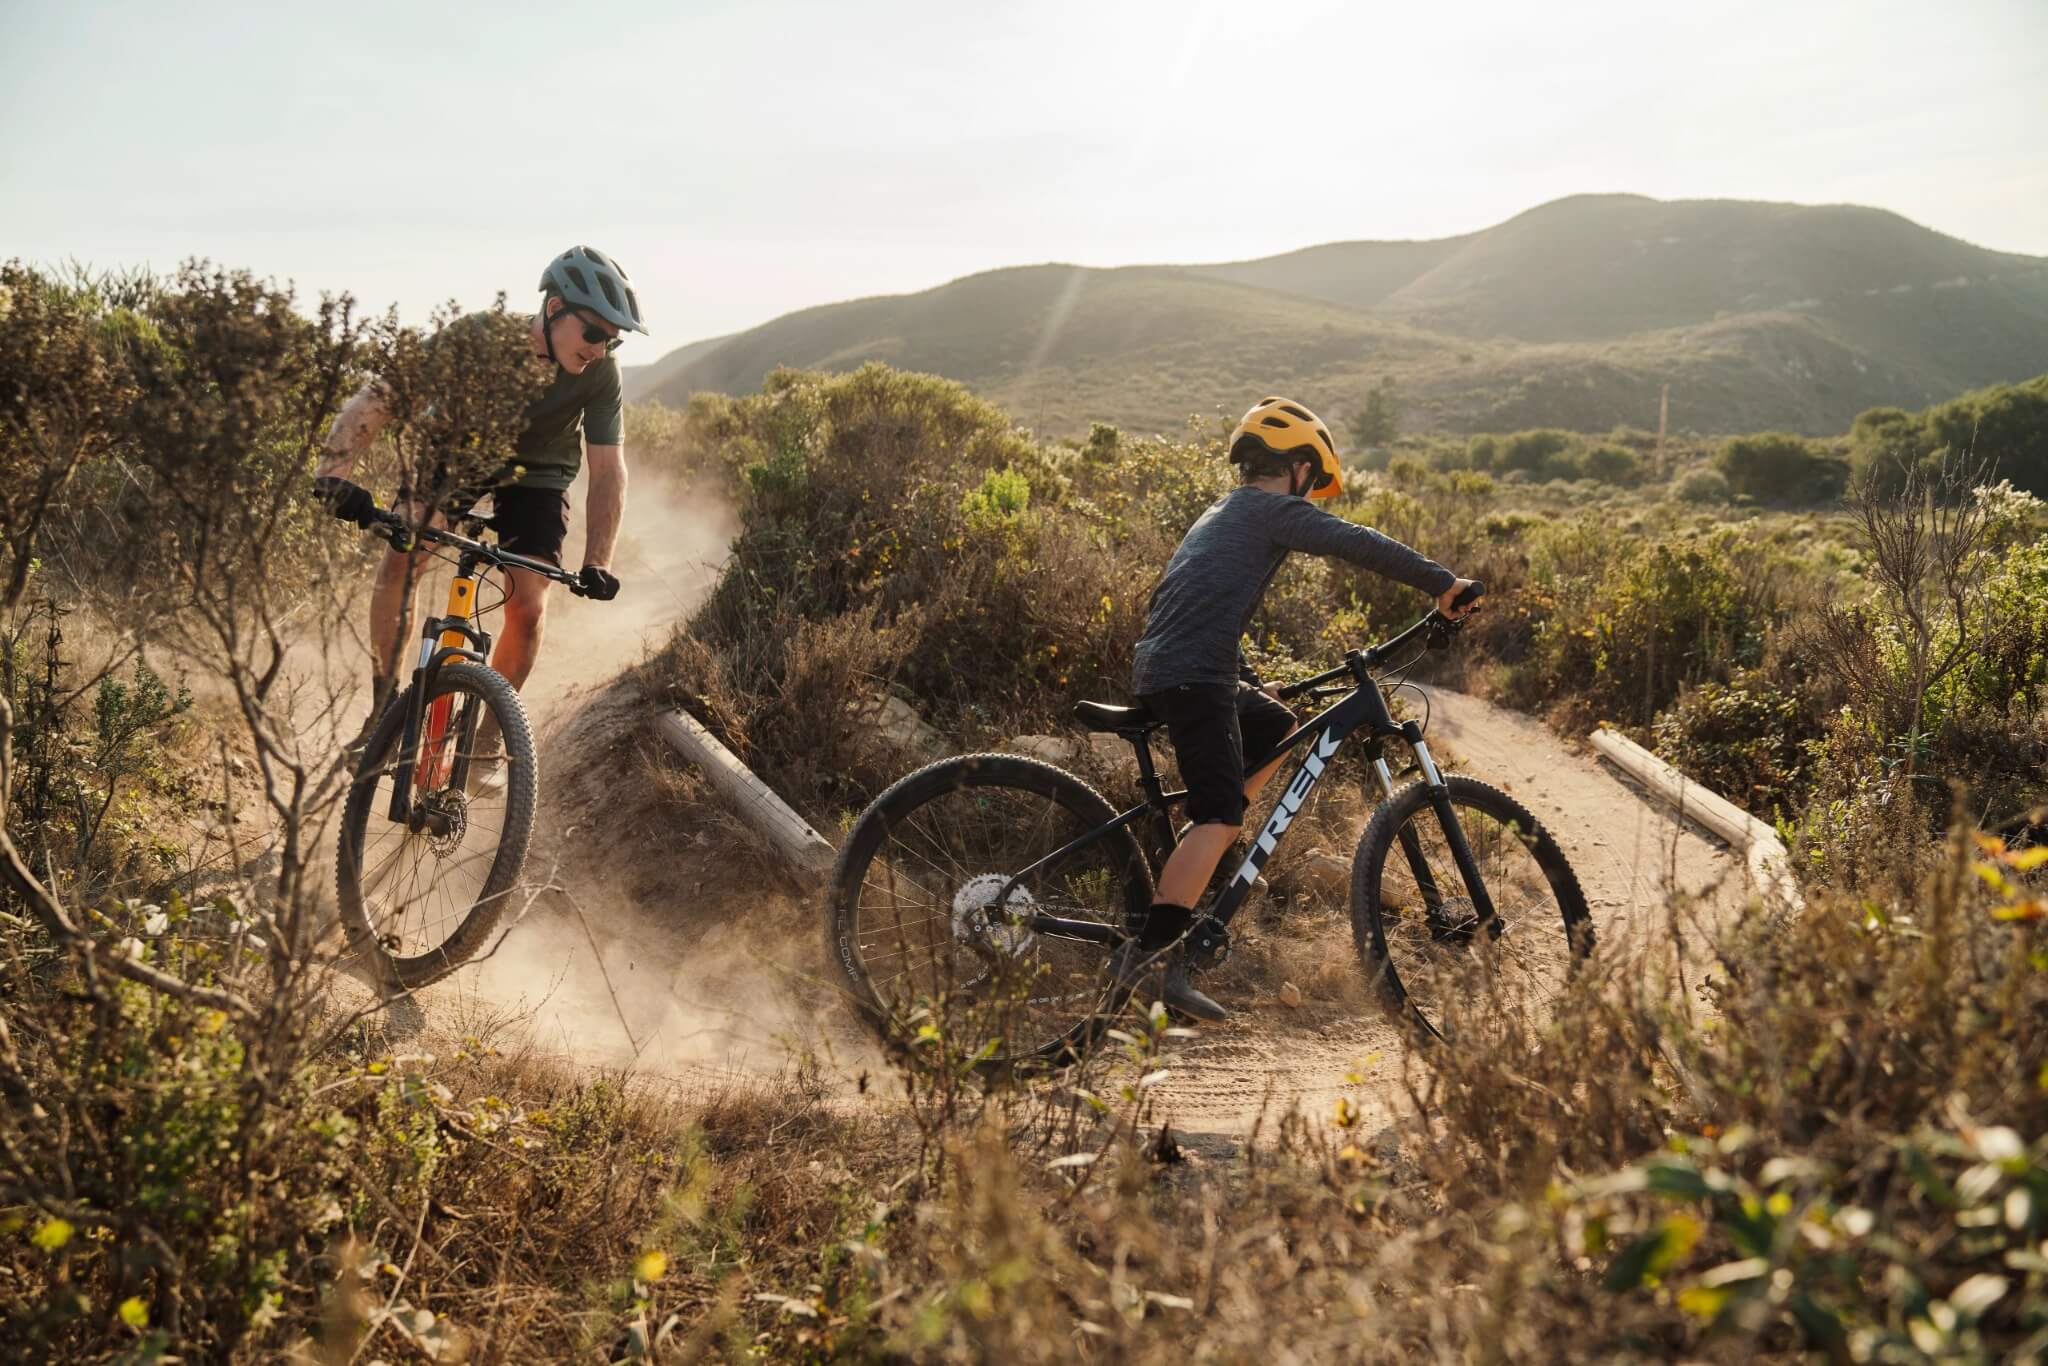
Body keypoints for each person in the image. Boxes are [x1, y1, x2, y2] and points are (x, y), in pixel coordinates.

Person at [1116, 396, 1480, 1022]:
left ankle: (1208, 852)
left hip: (1178, 669)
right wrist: (1443, 584)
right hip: (1193, 676)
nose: (1310, 494)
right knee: (1218, 815)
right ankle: (1154, 959)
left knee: (1277, 724)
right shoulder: (1271, 509)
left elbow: (1202, 609)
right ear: (1299, 467)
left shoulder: (1225, 510)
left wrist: (1253, 684)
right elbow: (1356, 542)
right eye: (1311, 481)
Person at [311, 246, 646, 736]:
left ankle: (490, 739)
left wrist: (598, 561)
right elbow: (382, 395)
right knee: (404, 554)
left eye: (612, 341)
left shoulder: (601, 373)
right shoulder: (478, 336)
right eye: (594, 333)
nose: (600, 349)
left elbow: (608, 469)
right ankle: (383, 710)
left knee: (528, 606)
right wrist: (334, 474)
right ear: (555, 308)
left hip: (538, 476)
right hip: (456, 454)